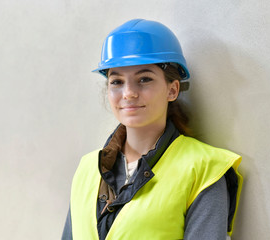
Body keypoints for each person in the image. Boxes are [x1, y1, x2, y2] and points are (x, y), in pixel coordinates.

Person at [62, 19, 242, 240]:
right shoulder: (87, 169)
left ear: (172, 89)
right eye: (117, 81)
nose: (128, 93)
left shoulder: (204, 170)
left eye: (144, 79)